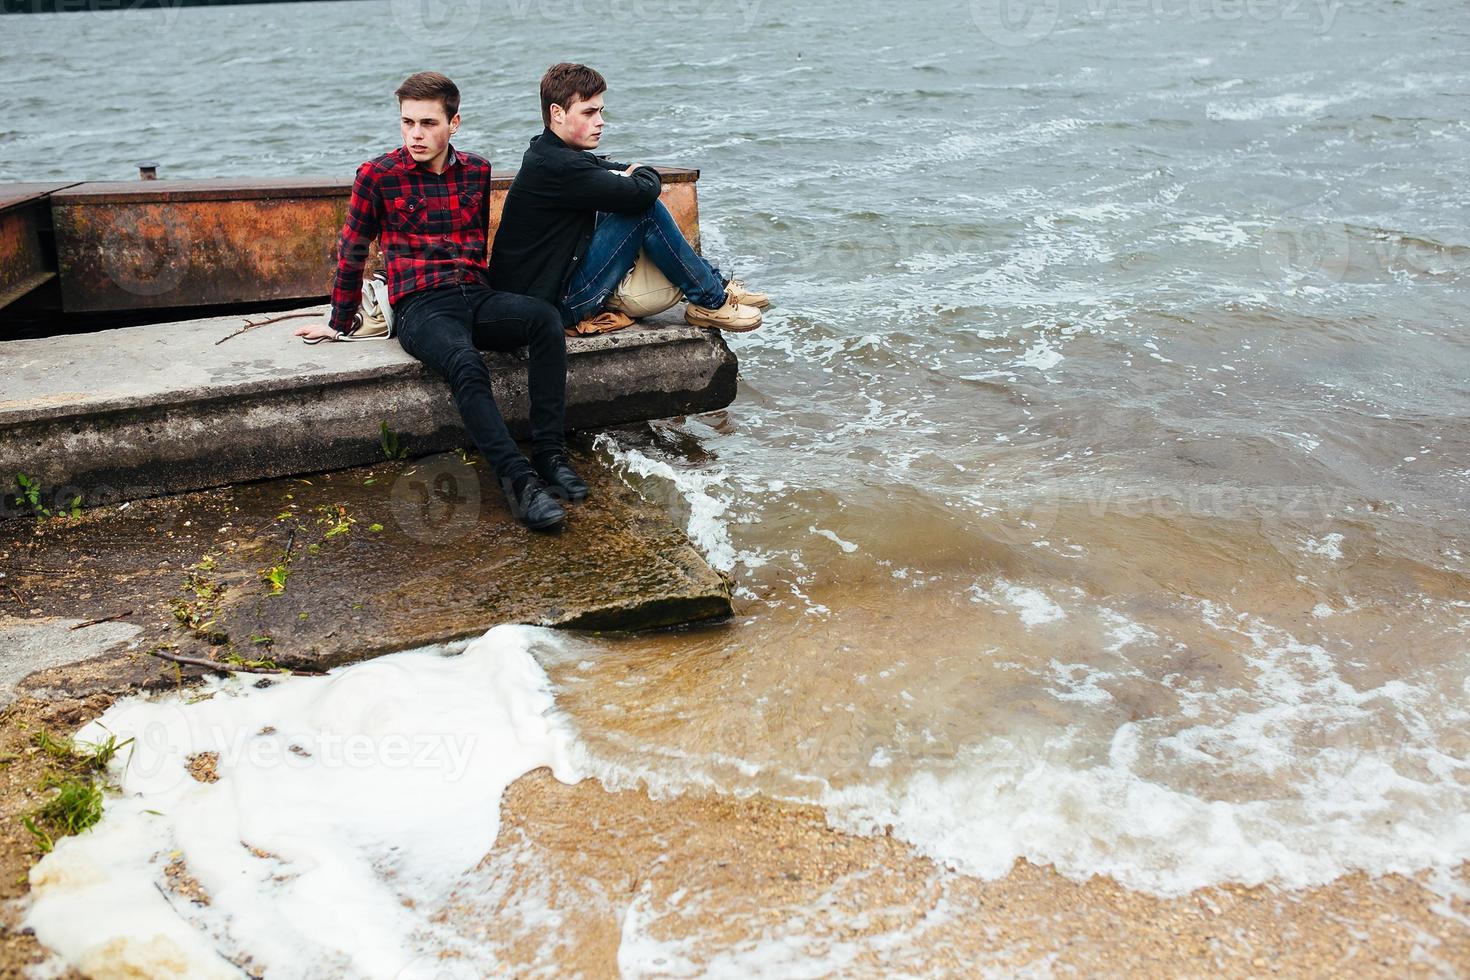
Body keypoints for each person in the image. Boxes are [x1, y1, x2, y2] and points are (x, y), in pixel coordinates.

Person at [296, 72, 578, 532]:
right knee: (466, 363)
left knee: (544, 320)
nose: (415, 134)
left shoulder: (477, 171)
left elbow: (483, 250)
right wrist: (338, 320)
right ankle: (519, 482)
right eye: (407, 123)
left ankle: (551, 456)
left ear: (455, 123)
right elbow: (352, 249)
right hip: (421, 307)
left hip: (476, 295)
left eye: (428, 123)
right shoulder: (377, 176)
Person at [488, 62, 769, 336]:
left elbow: (609, 170)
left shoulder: (547, 152)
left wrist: (632, 175)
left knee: (626, 201)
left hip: (549, 291)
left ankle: (715, 286)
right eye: (588, 113)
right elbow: (644, 190)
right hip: (552, 307)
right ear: (557, 113)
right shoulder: (560, 167)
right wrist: (641, 174)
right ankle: (712, 300)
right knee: (643, 211)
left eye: (600, 111)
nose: (600, 122)